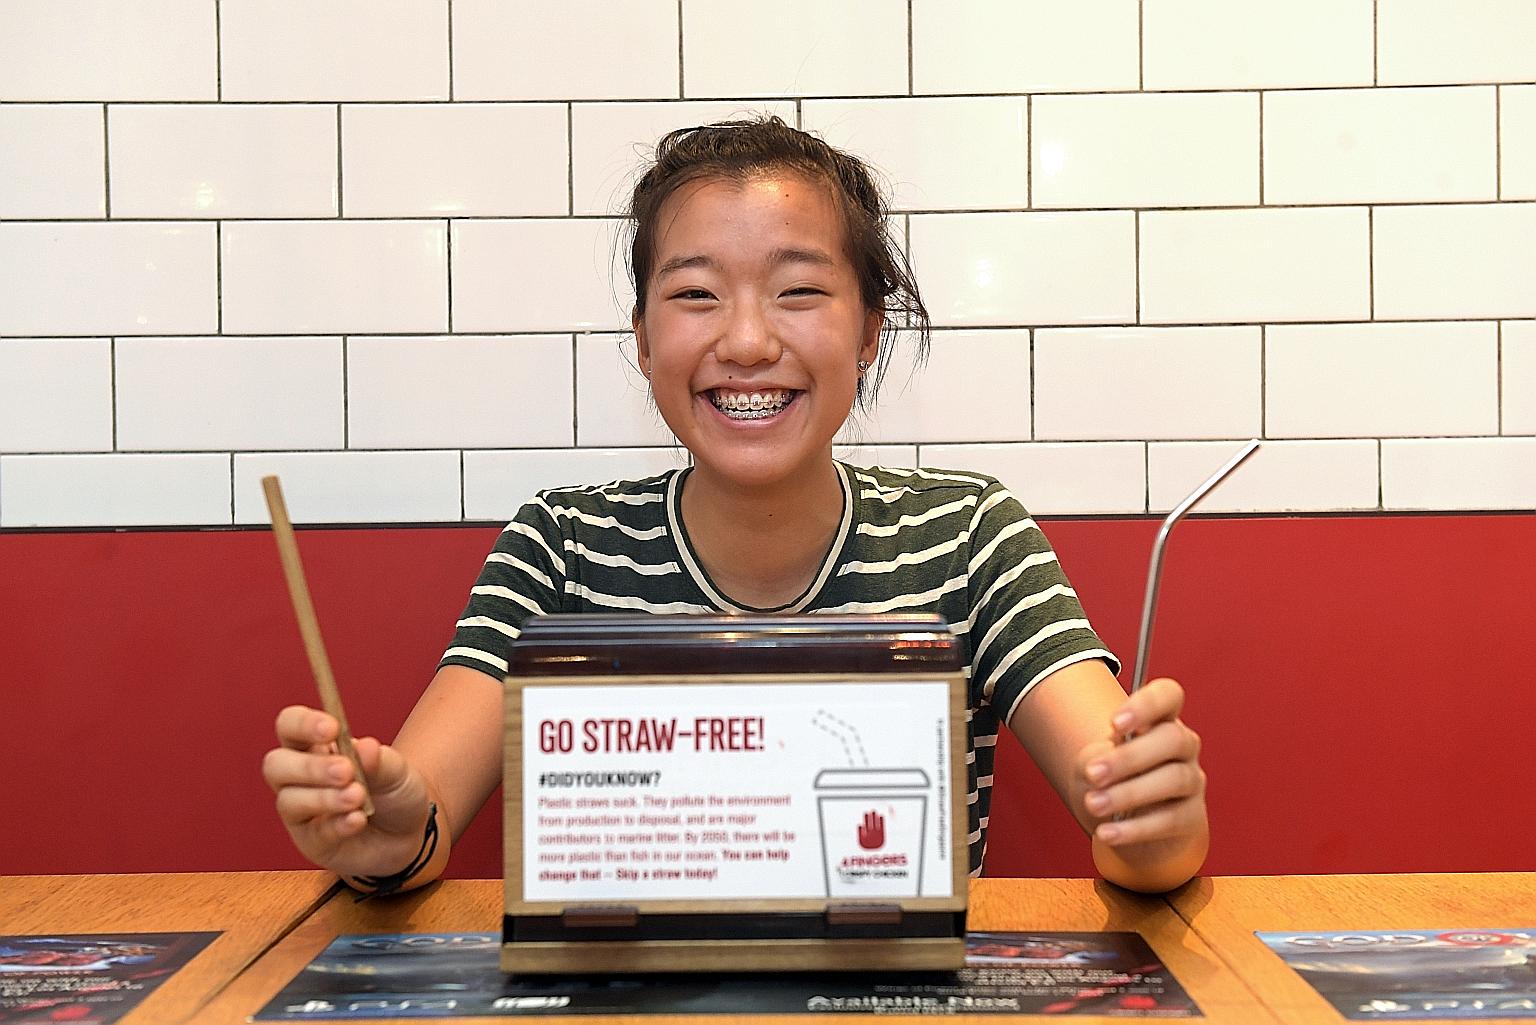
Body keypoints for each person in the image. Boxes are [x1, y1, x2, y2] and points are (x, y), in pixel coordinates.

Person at [262, 117, 1208, 897]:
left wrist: (1156, 817)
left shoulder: (968, 537)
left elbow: (1129, 820)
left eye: (799, 291)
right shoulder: (562, 546)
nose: (748, 340)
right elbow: (418, 821)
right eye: (696, 294)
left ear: (870, 328)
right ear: (642, 337)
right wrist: (382, 831)